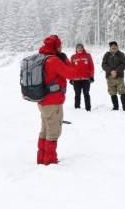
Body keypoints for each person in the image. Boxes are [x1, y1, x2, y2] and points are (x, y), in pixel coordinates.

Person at [36, 35, 78, 165]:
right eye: (59, 45)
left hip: (42, 100)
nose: (61, 47)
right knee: (53, 131)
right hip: (53, 101)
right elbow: (72, 74)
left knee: (45, 130)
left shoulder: (41, 58)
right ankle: (50, 161)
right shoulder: (53, 60)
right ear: (55, 46)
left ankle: (41, 158)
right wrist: (65, 59)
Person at [101, 41, 125, 112]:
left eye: (115, 46)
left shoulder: (121, 54)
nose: (113, 47)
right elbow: (104, 65)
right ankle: (115, 107)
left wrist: (116, 71)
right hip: (109, 76)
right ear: (110, 47)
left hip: (119, 76)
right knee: (112, 92)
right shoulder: (106, 55)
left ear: (117, 47)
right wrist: (111, 71)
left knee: (122, 91)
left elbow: (123, 64)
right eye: (112, 46)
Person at [70, 43, 94, 111]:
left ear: (83, 48)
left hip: (86, 79)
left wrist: (91, 76)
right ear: (76, 49)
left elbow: (91, 66)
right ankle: (77, 108)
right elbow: (71, 68)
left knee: (86, 93)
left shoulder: (88, 56)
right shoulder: (73, 57)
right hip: (76, 79)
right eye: (78, 48)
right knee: (77, 94)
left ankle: (88, 108)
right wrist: (71, 78)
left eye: (81, 48)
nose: (80, 49)